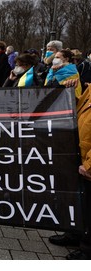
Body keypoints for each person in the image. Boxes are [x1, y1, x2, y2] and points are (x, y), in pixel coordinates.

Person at [49, 81, 91, 260]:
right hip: (79, 153)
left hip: (87, 162)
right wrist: (70, 95)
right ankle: (74, 234)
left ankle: (88, 249)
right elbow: (80, 110)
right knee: (78, 201)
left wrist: (90, 164)